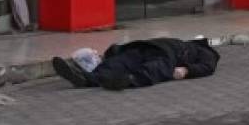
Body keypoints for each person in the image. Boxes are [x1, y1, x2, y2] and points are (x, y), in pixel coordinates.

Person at [51, 36, 219, 91]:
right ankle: (87, 78)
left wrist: (187, 70)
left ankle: (127, 80)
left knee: (154, 69)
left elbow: (208, 67)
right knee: (118, 62)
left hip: (168, 56)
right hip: (147, 48)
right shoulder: (183, 42)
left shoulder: (205, 51)